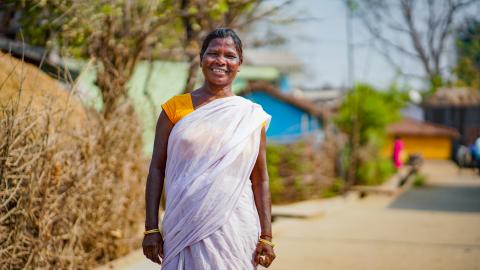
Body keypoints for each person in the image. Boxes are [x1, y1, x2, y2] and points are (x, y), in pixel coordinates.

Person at [142, 28, 276, 269]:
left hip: (236, 229)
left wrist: (266, 235)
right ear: (201, 58)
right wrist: (151, 228)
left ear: (240, 63)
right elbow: (156, 169)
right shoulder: (175, 109)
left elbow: (261, 179)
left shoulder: (250, 117)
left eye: (230, 55)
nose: (221, 61)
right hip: (184, 225)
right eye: (213, 53)